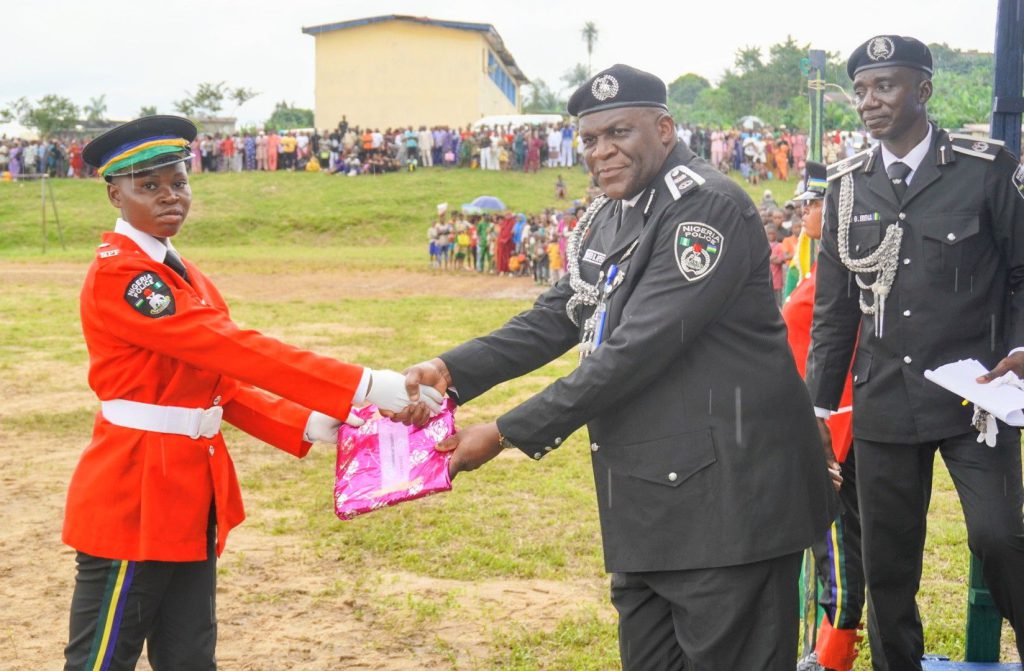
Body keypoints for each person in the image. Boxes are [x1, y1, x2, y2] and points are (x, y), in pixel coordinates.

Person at [395, 64, 835, 670]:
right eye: (590, 139)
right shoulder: (613, 211)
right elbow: (559, 315)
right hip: (650, 504)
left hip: (731, 506)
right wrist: (452, 369)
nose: (601, 152)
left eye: (619, 133)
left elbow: (634, 351)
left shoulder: (703, 209)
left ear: (664, 127)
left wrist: (503, 434)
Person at [65, 116, 441, 670]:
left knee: (190, 657)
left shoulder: (179, 271)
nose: (170, 197)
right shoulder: (126, 276)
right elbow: (234, 350)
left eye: (178, 182)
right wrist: (363, 385)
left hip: (189, 495)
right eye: (149, 186)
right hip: (135, 497)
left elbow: (215, 381)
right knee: (102, 660)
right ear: (114, 193)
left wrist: (308, 420)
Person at [807, 36, 1024, 669]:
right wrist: (819, 410)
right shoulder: (847, 188)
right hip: (886, 398)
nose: (869, 101)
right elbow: (834, 311)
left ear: (923, 90)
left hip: (975, 394)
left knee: (999, 536)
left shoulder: (987, 168)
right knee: (887, 567)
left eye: (886, 86)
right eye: (862, 89)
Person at [785, 162, 864, 671]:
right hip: (806, 420)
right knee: (827, 546)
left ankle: (831, 658)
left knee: (836, 548)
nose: (801, 213)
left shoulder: (842, 269)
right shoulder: (813, 265)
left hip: (834, 424)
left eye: (809, 204)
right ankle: (822, 647)